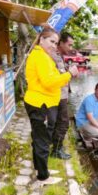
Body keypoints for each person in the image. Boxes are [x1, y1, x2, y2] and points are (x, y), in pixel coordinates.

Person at [24, 25, 78, 183]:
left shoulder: (43, 55)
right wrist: (69, 74)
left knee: (38, 136)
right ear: (41, 40)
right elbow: (49, 82)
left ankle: (39, 168)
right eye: (51, 42)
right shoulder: (40, 56)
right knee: (42, 140)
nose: (54, 45)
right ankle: (43, 176)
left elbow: (51, 76)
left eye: (56, 43)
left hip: (42, 102)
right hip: (41, 104)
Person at [50, 32, 75, 160]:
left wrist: (69, 73)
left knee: (59, 122)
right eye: (69, 45)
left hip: (63, 95)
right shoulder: (52, 56)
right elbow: (54, 78)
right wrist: (70, 73)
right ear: (61, 43)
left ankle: (57, 146)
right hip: (58, 96)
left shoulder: (60, 56)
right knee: (63, 123)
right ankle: (56, 150)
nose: (71, 48)